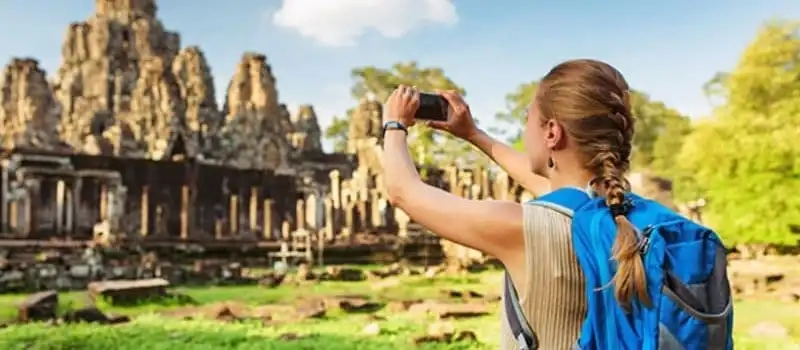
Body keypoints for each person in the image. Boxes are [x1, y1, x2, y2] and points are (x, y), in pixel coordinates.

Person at [380, 59, 635, 349]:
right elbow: (557, 188)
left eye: (528, 118)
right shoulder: (628, 215)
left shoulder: (524, 228)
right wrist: (473, 134)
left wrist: (394, 123)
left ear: (551, 132)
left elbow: (402, 191)